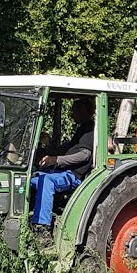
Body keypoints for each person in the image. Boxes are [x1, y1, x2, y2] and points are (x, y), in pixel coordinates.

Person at [30, 98, 96, 229]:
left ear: (83, 111)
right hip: (62, 172)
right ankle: (30, 215)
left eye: (74, 111)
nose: (71, 114)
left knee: (46, 181)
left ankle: (42, 226)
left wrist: (56, 160)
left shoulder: (90, 130)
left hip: (73, 175)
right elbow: (67, 149)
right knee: (29, 179)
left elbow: (84, 155)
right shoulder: (81, 130)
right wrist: (47, 149)